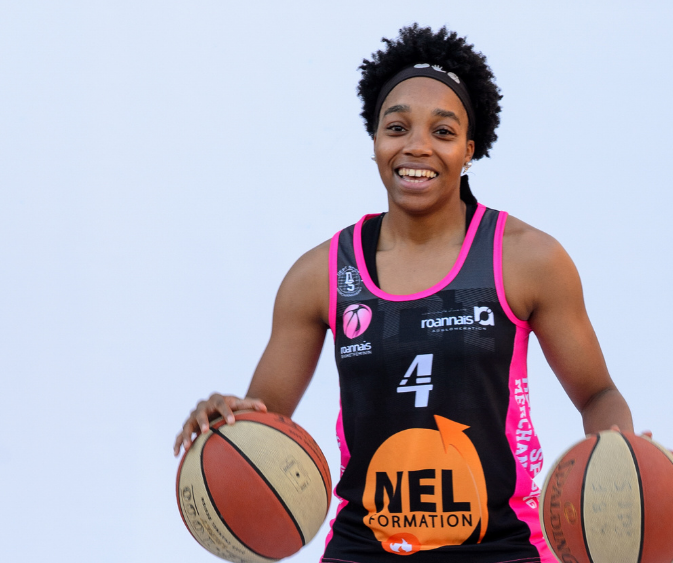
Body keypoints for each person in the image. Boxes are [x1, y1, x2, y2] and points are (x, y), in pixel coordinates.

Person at [174, 24, 634, 563]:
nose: (417, 146)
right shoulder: (321, 274)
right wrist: (228, 420)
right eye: (397, 127)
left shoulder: (527, 259)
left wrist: (622, 459)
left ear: (470, 149)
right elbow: (265, 424)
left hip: (504, 547)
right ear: (374, 141)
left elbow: (597, 394)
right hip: (363, 548)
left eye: (443, 131)